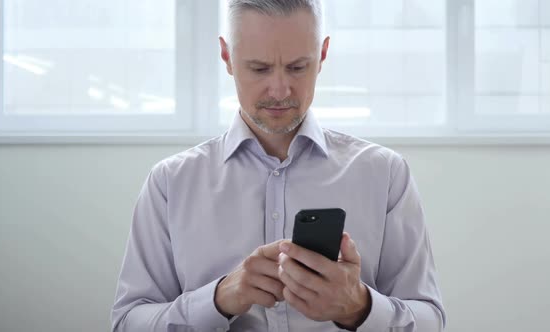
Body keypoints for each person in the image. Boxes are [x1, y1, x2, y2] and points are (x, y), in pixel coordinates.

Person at [111, 0, 446, 331]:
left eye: (298, 67)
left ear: (323, 55)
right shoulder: (170, 183)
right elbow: (127, 323)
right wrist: (217, 299)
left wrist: (358, 306)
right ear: (227, 57)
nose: (280, 89)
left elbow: (430, 320)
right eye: (259, 68)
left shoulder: (385, 174)